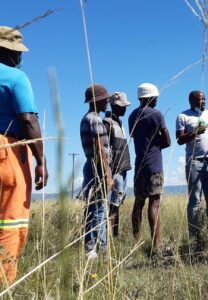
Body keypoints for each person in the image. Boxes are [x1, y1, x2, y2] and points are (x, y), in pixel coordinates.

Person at [0, 26, 48, 283]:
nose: (19, 59)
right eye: (17, 53)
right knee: (9, 222)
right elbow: (28, 120)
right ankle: (4, 285)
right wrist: (41, 160)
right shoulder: (16, 78)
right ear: (8, 52)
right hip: (7, 150)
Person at [128, 83, 171, 249]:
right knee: (154, 203)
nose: (157, 100)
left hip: (139, 165)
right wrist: (157, 143)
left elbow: (133, 135)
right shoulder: (157, 115)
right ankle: (156, 244)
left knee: (138, 203)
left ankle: (137, 241)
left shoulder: (132, 115)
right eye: (155, 97)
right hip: (154, 165)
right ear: (148, 98)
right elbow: (167, 141)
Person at [176, 91, 208, 238]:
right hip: (194, 162)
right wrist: (195, 132)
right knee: (195, 199)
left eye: (204, 99)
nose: (203, 102)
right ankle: (194, 236)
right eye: (200, 99)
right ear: (191, 100)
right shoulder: (183, 116)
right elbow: (180, 140)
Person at [80, 84, 113, 259]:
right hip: (97, 168)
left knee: (94, 208)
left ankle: (95, 249)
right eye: (104, 99)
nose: (107, 102)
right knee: (98, 209)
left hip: (93, 166)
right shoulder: (95, 119)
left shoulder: (87, 118)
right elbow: (100, 149)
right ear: (97, 100)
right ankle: (96, 250)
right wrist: (107, 174)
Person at [103, 92, 131, 237]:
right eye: (122, 106)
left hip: (123, 168)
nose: (125, 109)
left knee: (117, 203)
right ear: (114, 106)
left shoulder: (119, 122)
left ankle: (115, 235)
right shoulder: (107, 123)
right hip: (114, 170)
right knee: (112, 204)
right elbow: (104, 148)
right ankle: (109, 236)